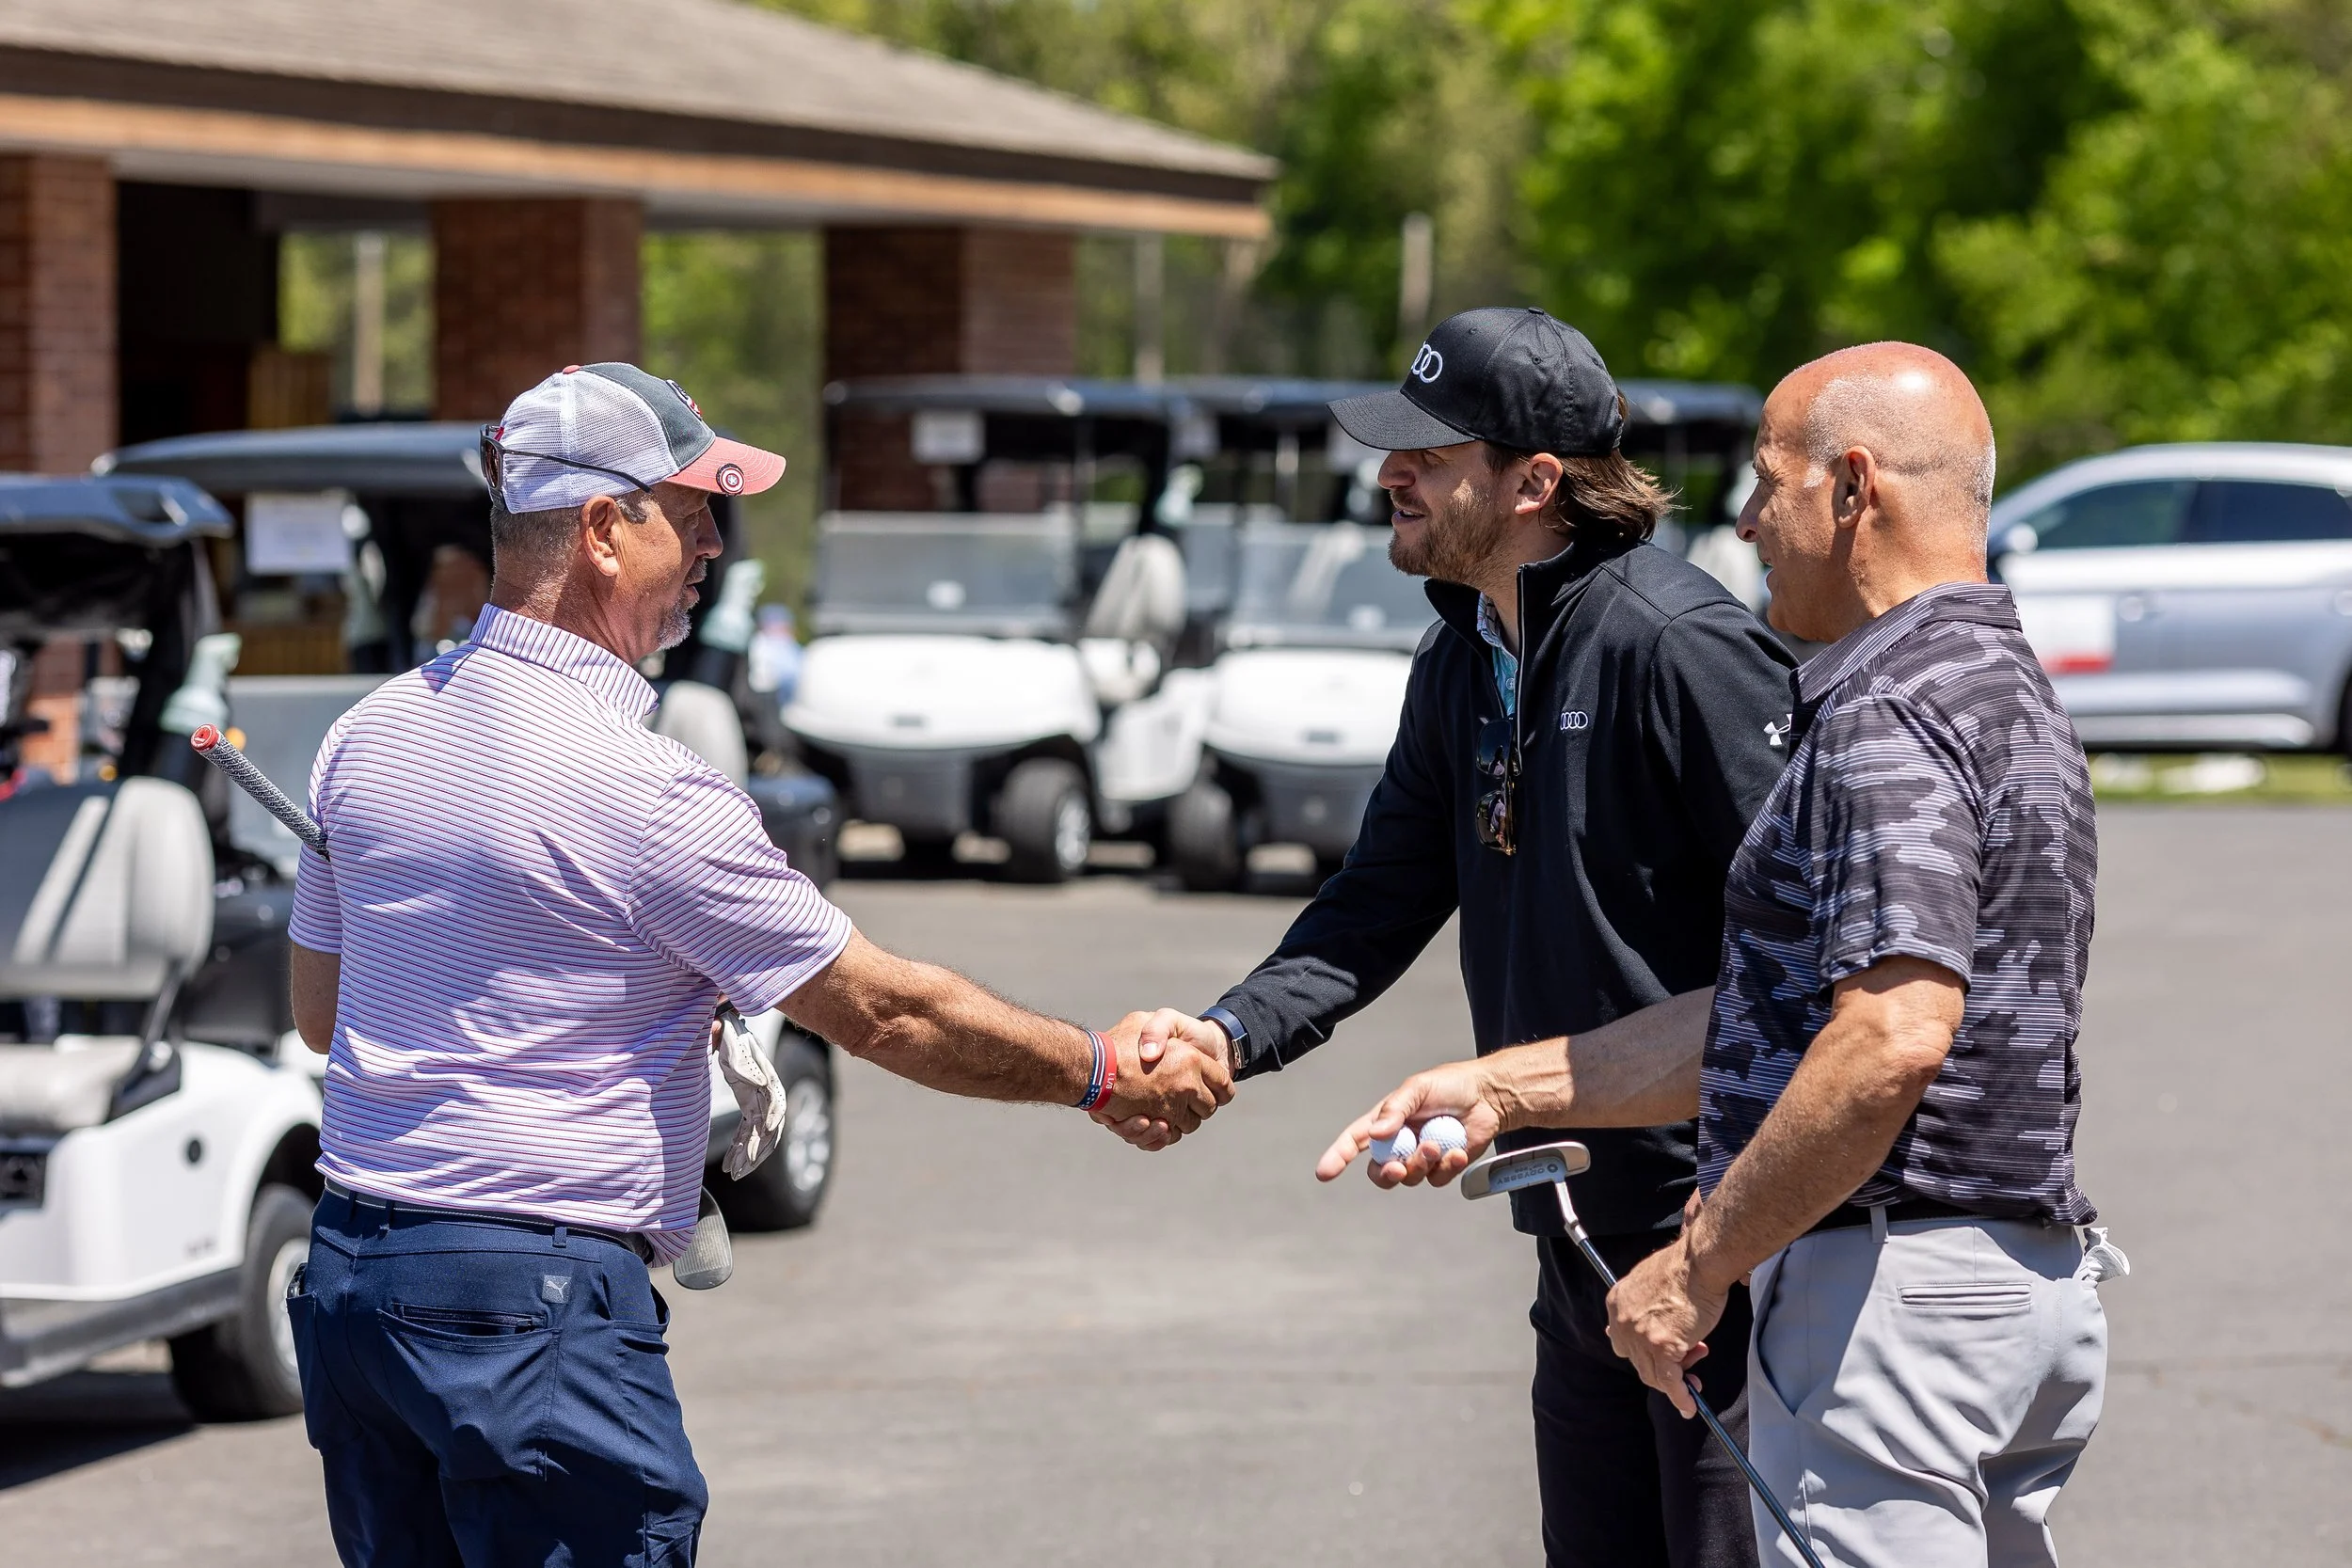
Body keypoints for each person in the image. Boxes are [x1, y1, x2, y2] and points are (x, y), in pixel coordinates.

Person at [284, 362, 1231, 1568]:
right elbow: (888, 1012)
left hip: (359, 1278)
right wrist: (1100, 1072)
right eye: (688, 513)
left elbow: (323, 1014)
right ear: (600, 529)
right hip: (528, 1312)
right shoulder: (648, 790)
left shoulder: (368, 732)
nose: (713, 546)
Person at [1327, 343, 2122, 1568]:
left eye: (1768, 483)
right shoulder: (1997, 679)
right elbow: (1779, 1010)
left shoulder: (1885, 706)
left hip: (1892, 1301)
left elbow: (1887, 1035)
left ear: (1855, 487)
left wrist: (1697, 1265)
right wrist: (1499, 1085)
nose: (1745, 522)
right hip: (2024, 1286)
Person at [1113, 308, 1798, 1568]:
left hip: (1728, 1260)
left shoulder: (1680, 644)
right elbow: (1378, 895)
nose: (1390, 474)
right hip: (1574, 1236)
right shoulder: (1463, 651)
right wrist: (1223, 1035)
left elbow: (1808, 971)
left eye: (1426, 454)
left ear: (1536, 482)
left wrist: (1720, 1238)